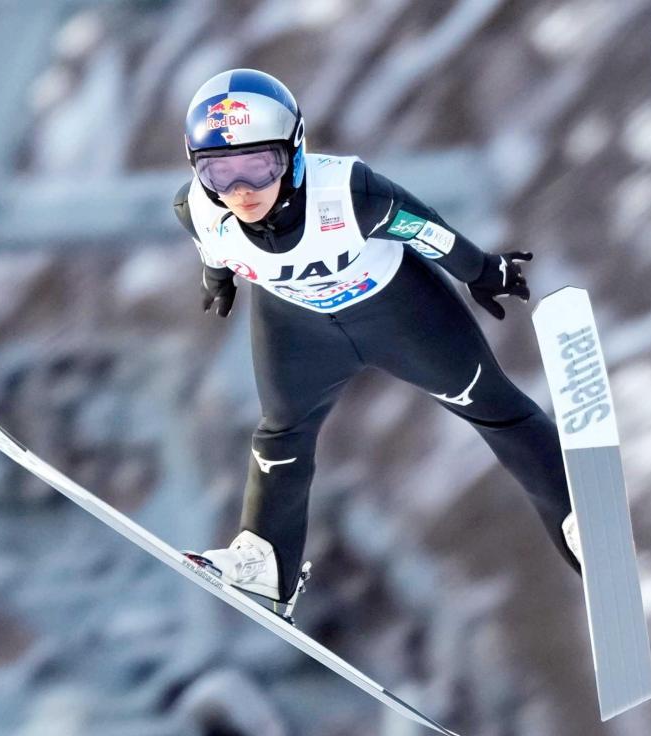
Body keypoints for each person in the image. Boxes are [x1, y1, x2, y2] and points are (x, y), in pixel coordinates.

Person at [173, 68, 581, 606]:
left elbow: (427, 230)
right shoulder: (198, 209)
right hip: (298, 328)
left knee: (492, 406)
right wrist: (218, 281)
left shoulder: (349, 191)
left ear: (293, 154)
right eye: (219, 173)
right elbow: (212, 247)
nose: (242, 190)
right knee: (280, 435)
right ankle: (267, 564)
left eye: (259, 165)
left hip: (398, 312)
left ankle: (575, 515)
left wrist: (484, 271)